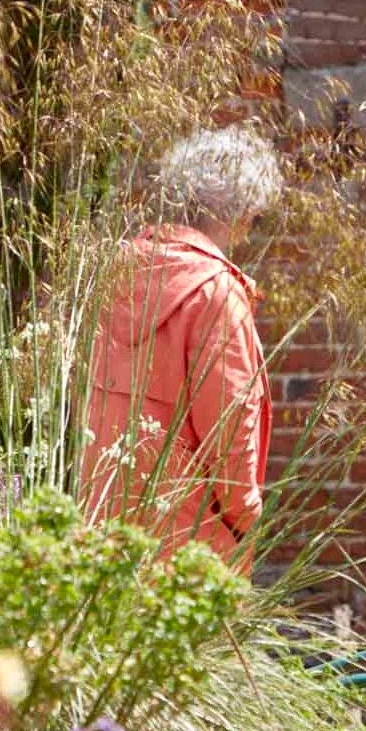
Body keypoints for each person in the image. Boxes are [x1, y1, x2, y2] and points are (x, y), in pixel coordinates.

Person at [80, 127, 283, 565]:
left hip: (101, 534)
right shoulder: (215, 295)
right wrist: (245, 521)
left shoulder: (111, 275)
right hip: (190, 553)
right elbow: (231, 433)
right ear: (244, 211)